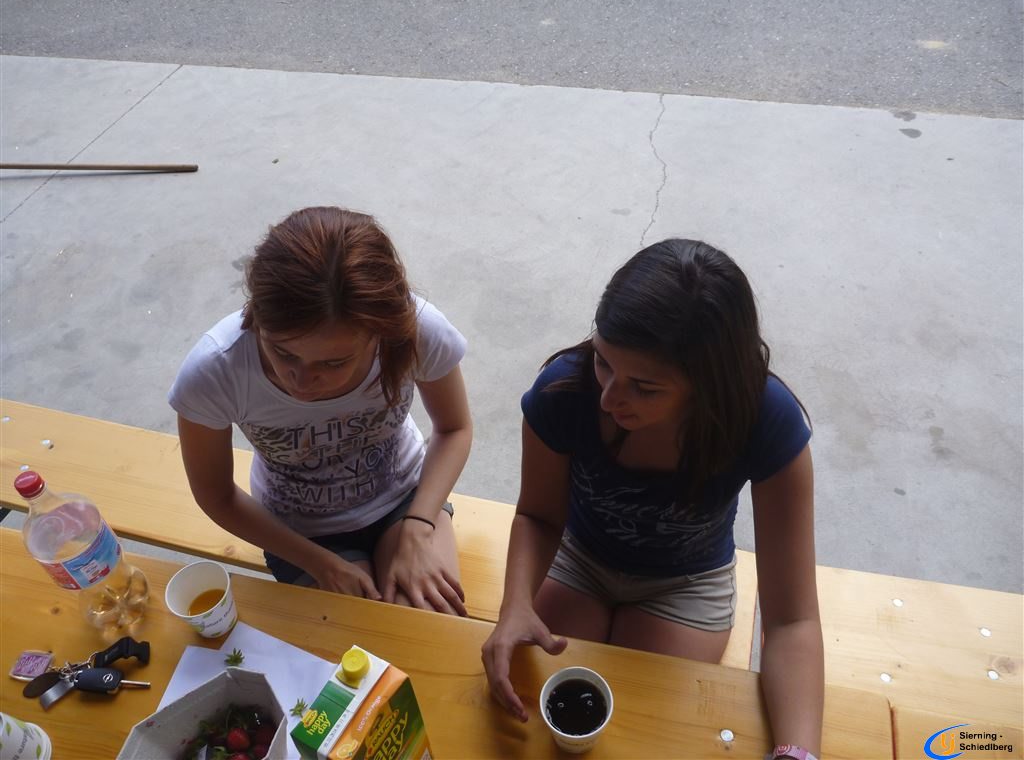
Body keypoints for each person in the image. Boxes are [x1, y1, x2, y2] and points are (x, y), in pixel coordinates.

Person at [482, 239, 823, 758]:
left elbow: (792, 619)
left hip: (687, 583)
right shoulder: (564, 392)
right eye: (603, 362)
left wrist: (797, 753)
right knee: (538, 713)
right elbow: (538, 515)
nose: (609, 398)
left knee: (641, 729)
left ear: (709, 384)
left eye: (644, 387)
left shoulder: (764, 420)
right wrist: (514, 606)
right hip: (578, 558)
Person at [169, 206, 472, 616]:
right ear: (257, 317)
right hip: (299, 530)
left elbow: (454, 429)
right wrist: (318, 562)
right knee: (357, 643)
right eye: (282, 353)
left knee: (426, 625)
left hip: (406, 497)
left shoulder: (416, 331)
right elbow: (216, 494)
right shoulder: (216, 370)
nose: (301, 380)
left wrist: (419, 527)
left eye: (333, 363)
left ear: (380, 334)